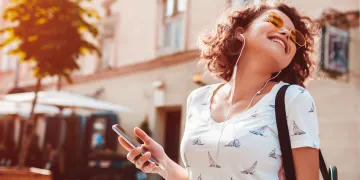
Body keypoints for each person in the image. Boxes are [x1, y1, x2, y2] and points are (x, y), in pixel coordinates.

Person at [118, 1, 320, 180]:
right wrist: (164, 163)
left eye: (295, 37)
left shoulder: (293, 99)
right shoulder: (198, 99)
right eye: (274, 20)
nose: (286, 33)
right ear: (241, 32)